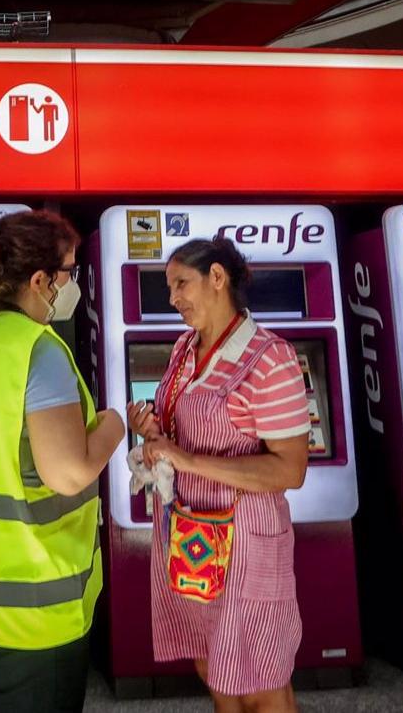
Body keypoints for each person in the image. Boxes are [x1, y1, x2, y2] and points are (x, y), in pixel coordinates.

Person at [0, 210, 125, 713]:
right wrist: (114, 426)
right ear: (40, 280)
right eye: (69, 272)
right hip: (34, 601)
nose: (72, 284)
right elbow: (69, 473)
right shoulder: (39, 351)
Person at [128, 238, 310, 713]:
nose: (173, 299)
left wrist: (188, 460)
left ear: (217, 277)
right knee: (213, 666)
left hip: (246, 545)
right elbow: (180, 433)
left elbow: (290, 469)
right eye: (169, 288)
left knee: (260, 680)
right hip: (192, 538)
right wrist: (153, 430)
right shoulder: (184, 349)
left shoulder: (270, 358)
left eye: (181, 284)